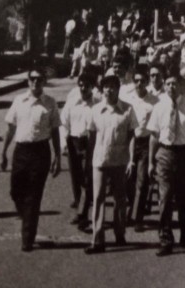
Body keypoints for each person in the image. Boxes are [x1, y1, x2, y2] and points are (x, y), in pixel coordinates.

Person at [1, 65, 62, 252]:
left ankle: (27, 238)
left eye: (39, 79)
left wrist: (58, 156)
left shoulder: (50, 103)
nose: (35, 82)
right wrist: (3, 152)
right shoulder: (19, 101)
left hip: (41, 152)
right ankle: (25, 214)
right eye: (32, 79)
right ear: (28, 81)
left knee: (34, 197)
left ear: (44, 82)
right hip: (21, 151)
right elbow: (10, 128)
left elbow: (55, 131)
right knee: (16, 191)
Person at [147, 74, 185, 255]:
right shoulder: (159, 106)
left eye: (174, 84)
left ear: (181, 86)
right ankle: (165, 239)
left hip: (184, 153)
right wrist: (150, 161)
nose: (171, 87)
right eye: (168, 84)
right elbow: (154, 136)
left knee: (184, 198)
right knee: (165, 198)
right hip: (165, 153)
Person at [85, 74, 137, 254]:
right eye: (105, 87)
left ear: (118, 89)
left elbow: (132, 136)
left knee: (120, 199)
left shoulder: (127, 110)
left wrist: (131, 159)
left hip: (120, 160)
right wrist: (89, 160)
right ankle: (97, 240)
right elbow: (91, 136)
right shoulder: (96, 110)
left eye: (112, 87)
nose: (108, 90)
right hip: (100, 159)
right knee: (98, 199)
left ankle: (120, 234)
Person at [60, 71, 97, 229]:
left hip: (89, 143)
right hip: (73, 141)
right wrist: (63, 143)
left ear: (92, 87)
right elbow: (64, 124)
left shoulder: (97, 104)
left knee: (87, 179)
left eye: (86, 86)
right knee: (76, 178)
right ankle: (79, 209)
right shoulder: (71, 104)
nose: (83, 88)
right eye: (80, 85)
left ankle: (82, 215)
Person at [124, 65, 158, 232]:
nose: (139, 84)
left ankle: (137, 218)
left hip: (146, 143)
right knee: (128, 180)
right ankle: (132, 208)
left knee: (142, 181)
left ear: (146, 82)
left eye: (142, 81)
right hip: (129, 142)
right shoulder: (128, 99)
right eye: (136, 81)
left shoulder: (153, 102)